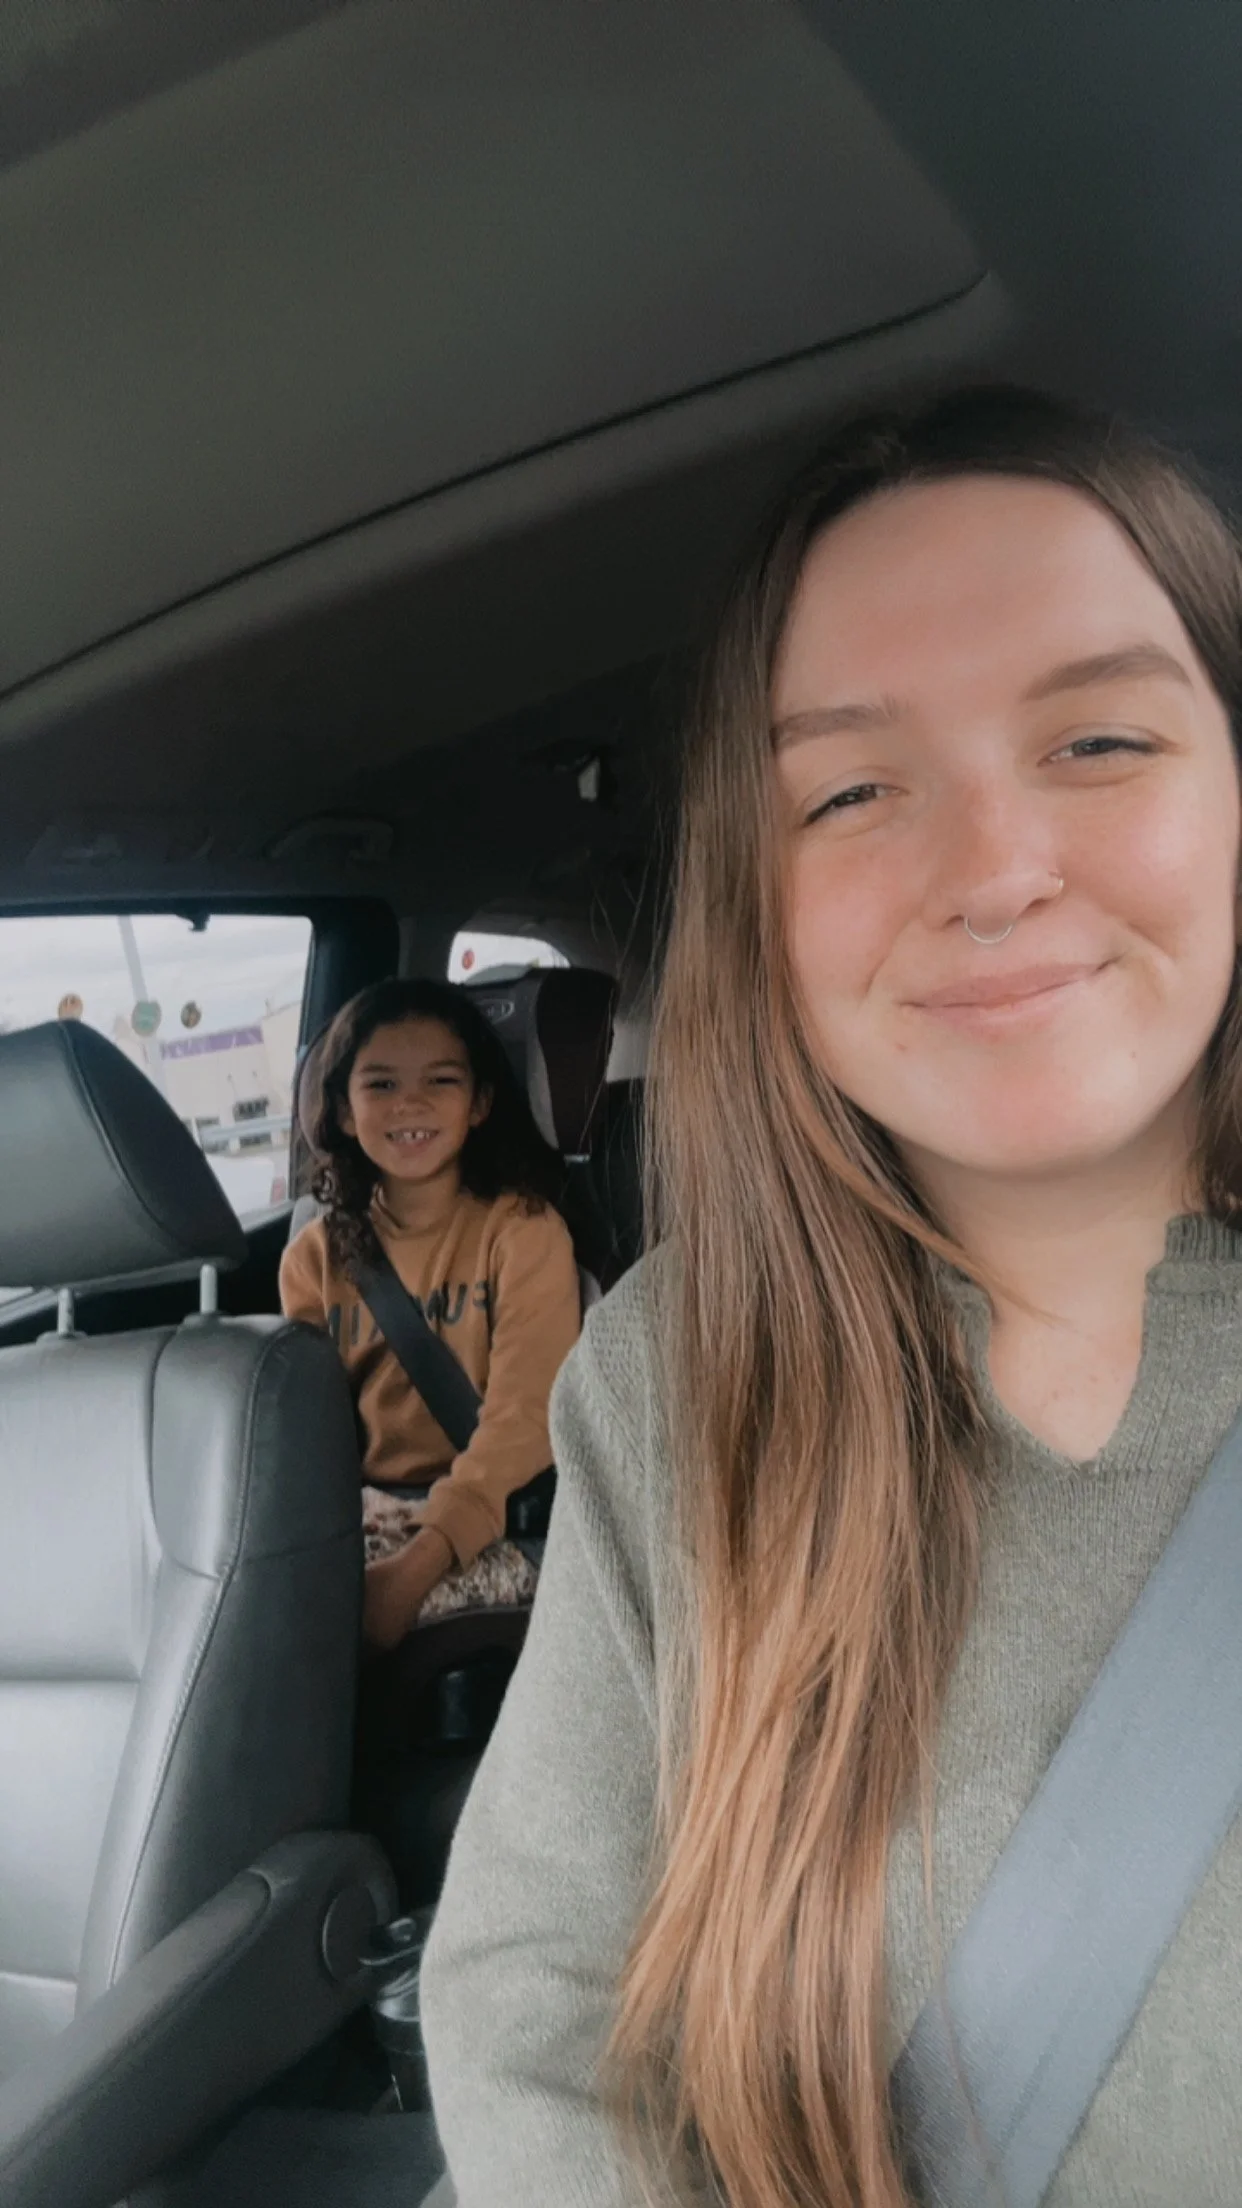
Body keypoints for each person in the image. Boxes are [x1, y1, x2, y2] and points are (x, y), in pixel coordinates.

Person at [419, 385, 1242, 2208]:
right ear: (759, 901)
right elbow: (535, 2016)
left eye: (1098, 740)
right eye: (854, 788)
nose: (992, 872)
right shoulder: (679, 1372)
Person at [279, 976, 581, 1649]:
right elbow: (304, 1439)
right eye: (381, 1084)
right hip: (359, 1513)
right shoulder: (315, 1257)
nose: (409, 1102)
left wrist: (418, 1563)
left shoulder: (524, 1233)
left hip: (493, 1515)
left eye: (440, 1081)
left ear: (478, 1104)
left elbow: (526, 1419)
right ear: (345, 1111)